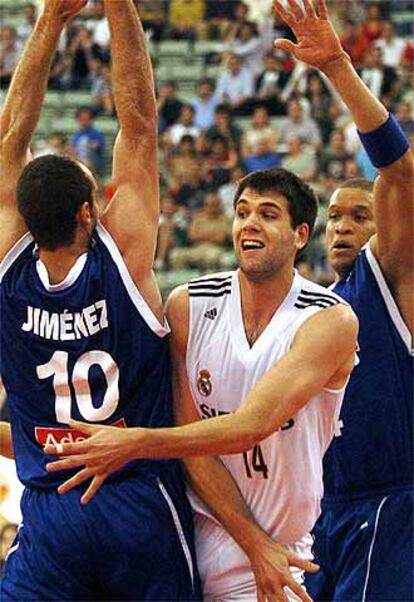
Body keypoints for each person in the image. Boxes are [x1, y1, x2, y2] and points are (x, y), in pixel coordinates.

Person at [44, 163, 358, 601]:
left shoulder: (329, 320)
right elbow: (196, 447)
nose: (250, 223)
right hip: (184, 540)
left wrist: (134, 442)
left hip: (273, 553)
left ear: (301, 235)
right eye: (243, 212)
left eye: (268, 214)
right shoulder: (188, 306)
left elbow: (250, 425)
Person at [0, 1, 201, 599]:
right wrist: (119, 4)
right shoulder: (124, 260)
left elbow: (12, 137)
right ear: (91, 212)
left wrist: (50, 19)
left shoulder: (9, 266)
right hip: (137, 501)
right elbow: (138, 123)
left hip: (51, 508)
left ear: (25, 217)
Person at [265, 0, 413, 600]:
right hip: (321, 516)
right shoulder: (312, 307)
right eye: (333, 218)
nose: (342, 228)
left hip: (389, 508)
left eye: (360, 216)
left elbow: (400, 172)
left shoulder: (391, 279)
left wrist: (336, 68)